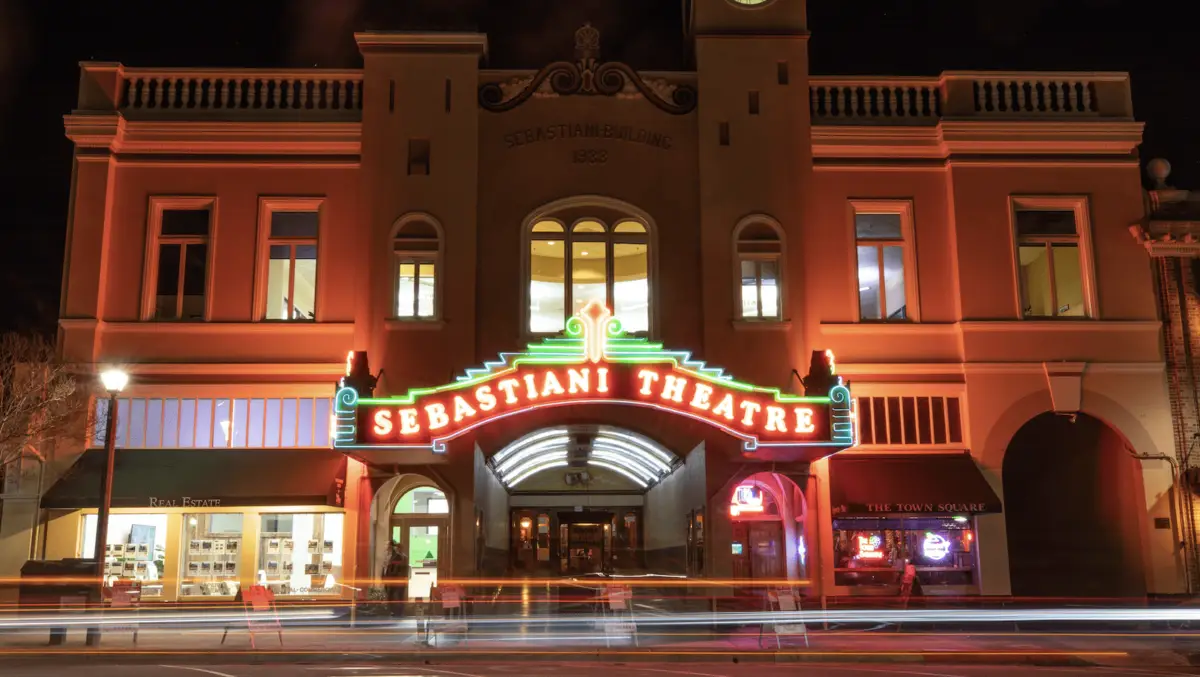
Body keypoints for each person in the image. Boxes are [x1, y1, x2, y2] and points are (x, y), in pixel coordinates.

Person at [382, 542, 409, 617]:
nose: (397, 549)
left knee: (399, 596)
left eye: (398, 548)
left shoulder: (403, 557)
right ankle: (393, 611)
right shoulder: (391, 557)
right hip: (393, 580)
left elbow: (403, 569)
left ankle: (400, 612)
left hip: (400, 580)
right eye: (396, 548)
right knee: (392, 595)